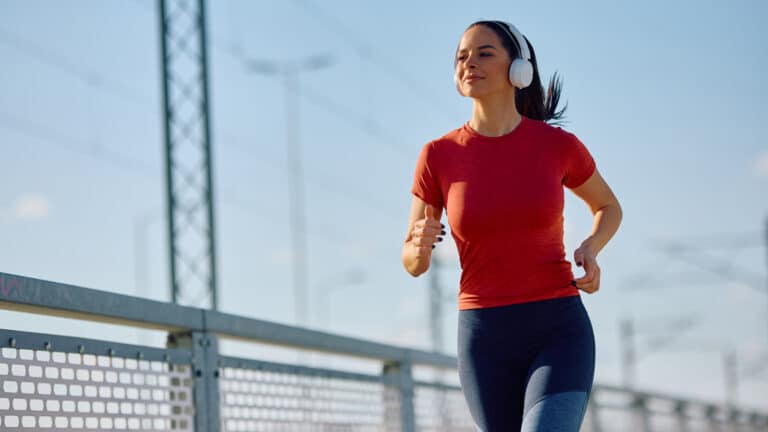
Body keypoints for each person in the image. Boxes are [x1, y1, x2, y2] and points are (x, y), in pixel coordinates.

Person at [401, 20, 623, 431]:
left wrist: (591, 247)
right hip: (484, 338)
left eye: (485, 53)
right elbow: (413, 263)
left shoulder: (557, 146)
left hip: (559, 328)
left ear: (519, 68)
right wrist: (417, 245)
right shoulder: (438, 155)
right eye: (462, 56)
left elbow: (608, 206)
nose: (471, 63)